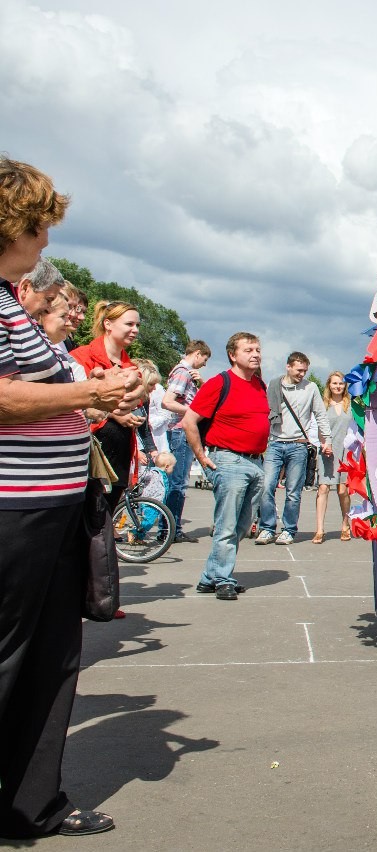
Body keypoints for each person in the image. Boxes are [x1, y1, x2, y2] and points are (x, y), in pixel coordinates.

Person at [1, 155, 142, 838]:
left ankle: (31, 802)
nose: (46, 242)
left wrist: (110, 394)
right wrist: (90, 391)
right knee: (10, 653)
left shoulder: (11, 305)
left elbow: (47, 388)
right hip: (14, 507)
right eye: (38, 227)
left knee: (51, 656)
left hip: (52, 504)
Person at [181, 332, 269, 601]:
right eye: (248, 350)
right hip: (228, 459)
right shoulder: (220, 383)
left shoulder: (259, 385)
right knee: (227, 525)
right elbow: (189, 421)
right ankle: (222, 578)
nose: (255, 354)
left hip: (255, 461)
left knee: (243, 526)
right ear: (233, 354)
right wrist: (200, 455)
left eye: (257, 349)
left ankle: (209, 577)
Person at [69, 301, 143, 513]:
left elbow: (134, 402)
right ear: (108, 324)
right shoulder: (81, 357)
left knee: (104, 520)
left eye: (137, 325)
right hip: (89, 453)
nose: (135, 330)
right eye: (129, 324)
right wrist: (114, 414)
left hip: (119, 453)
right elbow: (73, 402)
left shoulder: (131, 367)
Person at [256, 352, 330, 546]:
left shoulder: (311, 387)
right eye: (299, 370)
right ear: (288, 367)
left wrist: (326, 439)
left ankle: (289, 529)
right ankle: (267, 527)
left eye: (305, 371)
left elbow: (320, 415)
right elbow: (262, 412)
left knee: (293, 492)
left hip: (298, 444)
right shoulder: (274, 385)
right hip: (275, 442)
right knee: (266, 486)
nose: (302, 374)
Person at [159, 340, 212, 543]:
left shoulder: (185, 373)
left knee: (178, 482)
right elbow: (167, 401)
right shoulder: (183, 372)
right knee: (178, 483)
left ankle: (171, 527)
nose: (204, 364)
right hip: (181, 430)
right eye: (204, 360)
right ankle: (171, 529)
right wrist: (192, 412)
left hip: (182, 430)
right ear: (197, 354)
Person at [314, 371, 355, 542]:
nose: (338, 386)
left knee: (342, 490)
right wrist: (323, 444)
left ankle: (345, 525)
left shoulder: (351, 405)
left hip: (346, 451)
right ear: (329, 386)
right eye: (334, 383)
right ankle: (319, 530)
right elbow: (315, 427)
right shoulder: (322, 405)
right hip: (327, 450)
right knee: (323, 488)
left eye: (341, 383)